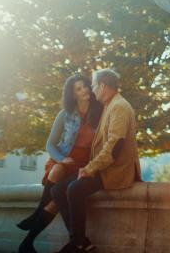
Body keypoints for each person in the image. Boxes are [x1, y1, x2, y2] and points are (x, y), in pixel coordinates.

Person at [51, 68, 141, 253]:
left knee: (74, 189)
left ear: (102, 85)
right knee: (57, 189)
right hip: (105, 168)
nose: (91, 90)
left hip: (115, 171)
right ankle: (81, 241)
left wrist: (90, 169)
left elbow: (114, 147)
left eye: (93, 85)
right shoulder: (110, 104)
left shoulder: (119, 107)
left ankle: (77, 244)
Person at [17, 74, 103, 253]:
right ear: (73, 95)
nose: (84, 90)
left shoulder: (99, 112)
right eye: (78, 89)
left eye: (85, 86)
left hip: (82, 164)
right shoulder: (65, 114)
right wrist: (62, 158)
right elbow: (50, 144)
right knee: (57, 169)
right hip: (62, 159)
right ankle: (77, 240)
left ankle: (28, 240)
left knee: (54, 203)